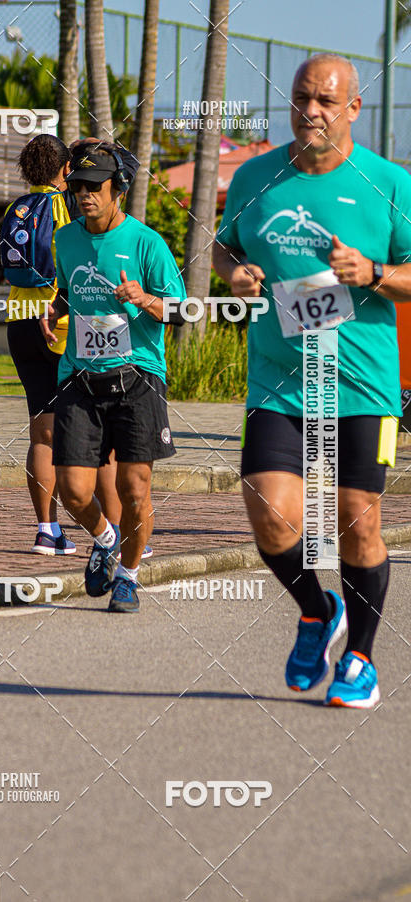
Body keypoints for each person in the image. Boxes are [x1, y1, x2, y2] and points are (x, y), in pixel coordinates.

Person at [213, 53, 411, 707]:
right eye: (303, 98)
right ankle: (315, 610)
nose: (312, 111)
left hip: (362, 382)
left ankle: (360, 660)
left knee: (357, 523)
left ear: (354, 108)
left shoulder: (387, 183)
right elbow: (225, 245)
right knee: (270, 516)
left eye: (327, 101)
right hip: (280, 376)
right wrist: (233, 274)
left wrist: (375, 274)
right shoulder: (256, 177)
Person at [41, 142, 186, 613]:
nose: (83, 195)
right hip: (79, 377)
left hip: (138, 377)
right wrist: (55, 310)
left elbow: (185, 310)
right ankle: (106, 538)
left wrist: (144, 299)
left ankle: (128, 575)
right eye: (77, 187)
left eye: (94, 186)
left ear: (118, 189)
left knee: (134, 489)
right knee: (73, 490)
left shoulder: (147, 243)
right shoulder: (66, 240)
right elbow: (69, 287)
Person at [5, 134, 151, 558]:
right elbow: (122, 181)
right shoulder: (68, 202)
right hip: (65, 323)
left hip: (20, 323)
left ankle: (47, 530)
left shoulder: (17, 207)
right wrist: (104, 148)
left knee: (42, 433)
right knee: (99, 433)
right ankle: (120, 537)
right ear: (67, 170)